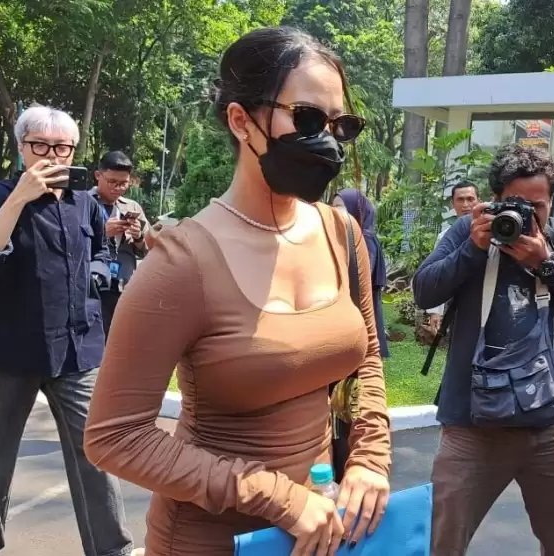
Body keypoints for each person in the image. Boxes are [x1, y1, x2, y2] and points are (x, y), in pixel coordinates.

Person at [83, 27, 391, 556]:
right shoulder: (182, 262)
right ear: (240, 120)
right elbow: (114, 437)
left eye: (339, 125)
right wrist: (275, 496)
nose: (327, 141)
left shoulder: (341, 234)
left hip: (323, 529)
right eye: (307, 119)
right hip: (209, 539)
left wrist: (369, 459)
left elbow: (365, 360)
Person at [413, 144, 554, 556]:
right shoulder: (467, 231)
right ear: (495, 200)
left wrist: (549, 263)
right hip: (472, 424)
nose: (525, 216)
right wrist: (472, 250)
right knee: (441, 542)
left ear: (551, 201)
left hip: (550, 423)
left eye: (537, 207)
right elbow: (424, 290)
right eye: (515, 204)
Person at [0, 105, 134, 556]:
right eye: (40, 146)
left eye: (62, 147)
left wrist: (99, 273)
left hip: (76, 348)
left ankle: (112, 548)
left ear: (74, 151)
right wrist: (19, 198)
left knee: (94, 451)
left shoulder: (85, 203)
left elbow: (97, 251)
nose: (52, 155)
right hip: (7, 349)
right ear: (22, 148)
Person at [91, 150, 150, 334]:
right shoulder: (82, 203)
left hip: (124, 285)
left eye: (124, 183)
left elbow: (149, 250)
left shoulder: (132, 207)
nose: (118, 188)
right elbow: (71, 245)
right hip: (92, 288)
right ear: (98, 175)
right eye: (112, 182)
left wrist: (138, 237)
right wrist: (102, 233)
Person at [331, 189, 390, 358]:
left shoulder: (365, 238)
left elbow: (360, 276)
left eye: (340, 207)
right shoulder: (346, 235)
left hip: (358, 305)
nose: (335, 212)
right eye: (333, 207)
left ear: (356, 210)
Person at [426, 181, 481, 321]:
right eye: (460, 200)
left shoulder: (490, 233)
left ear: (478, 201)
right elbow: (438, 273)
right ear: (452, 204)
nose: (465, 205)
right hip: (455, 305)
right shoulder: (445, 237)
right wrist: (435, 312)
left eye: (470, 199)